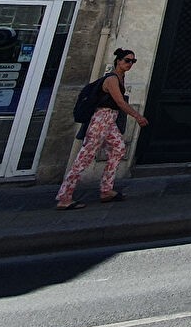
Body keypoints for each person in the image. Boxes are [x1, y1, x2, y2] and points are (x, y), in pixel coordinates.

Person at [55, 48, 148, 209]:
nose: (130, 64)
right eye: (127, 60)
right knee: (84, 157)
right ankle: (64, 197)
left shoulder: (121, 77)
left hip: (110, 120)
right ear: (118, 61)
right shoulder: (111, 79)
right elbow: (120, 102)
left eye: (133, 61)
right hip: (101, 119)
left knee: (119, 148)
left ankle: (106, 189)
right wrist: (138, 116)